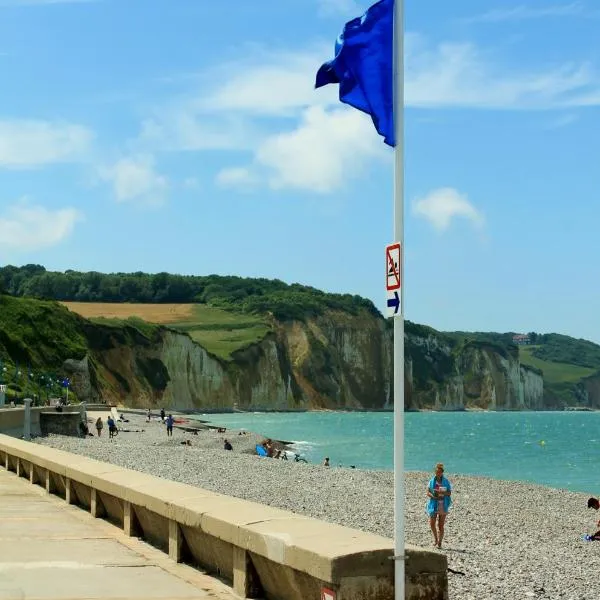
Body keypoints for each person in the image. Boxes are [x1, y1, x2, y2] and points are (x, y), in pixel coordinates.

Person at [426, 463, 452, 549]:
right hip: (433, 504)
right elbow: (428, 492)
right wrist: (433, 496)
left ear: (442, 472)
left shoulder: (446, 481)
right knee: (432, 523)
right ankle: (436, 539)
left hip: (442, 504)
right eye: (437, 472)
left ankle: (440, 542)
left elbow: (449, 493)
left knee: (441, 525)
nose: (438, 473)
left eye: (440, 472)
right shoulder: (431, 481)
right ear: (435, 472)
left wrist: (442, 492)